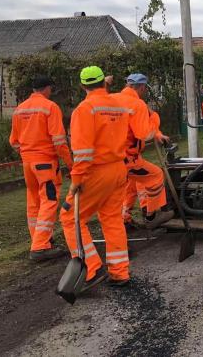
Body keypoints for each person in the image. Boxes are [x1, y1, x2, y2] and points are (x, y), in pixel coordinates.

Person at [60, 66, 142, 289]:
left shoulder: (85, 109)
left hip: (95, 172)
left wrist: (76, 180)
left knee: (69, 218)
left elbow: (83, 151)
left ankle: (92, 268)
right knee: (113, 220)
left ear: (82, 85)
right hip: (118, 169)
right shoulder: (119, 106)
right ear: (103, 83)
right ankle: (119, 272)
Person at [9, 76, 73, 261]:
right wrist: (70, 164)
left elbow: (13, 141)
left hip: (28, 163)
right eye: (51, 89)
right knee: (49, 201)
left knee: (34, 202)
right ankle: (40, 246)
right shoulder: (50, 107)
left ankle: (40, 239)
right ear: (46, 89)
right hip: (45, 163)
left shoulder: (19, 109)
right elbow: (59, 141)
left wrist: (27, 153)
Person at [111, 73, 174, 229]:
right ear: (141, 87)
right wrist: (154, 130)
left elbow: (149, 116)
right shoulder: (137, 105)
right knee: (156, 175)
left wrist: (158, 133)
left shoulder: (111, 99)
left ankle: (124, 218)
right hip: (127, 157)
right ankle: (152, 215)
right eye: (145, 88)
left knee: (130, 187)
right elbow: (144, 134)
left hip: (110, 157)